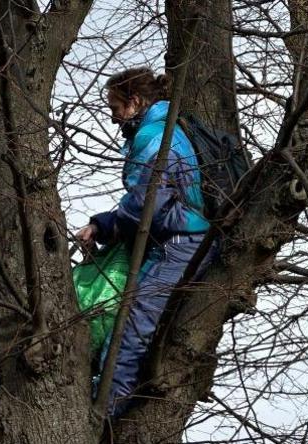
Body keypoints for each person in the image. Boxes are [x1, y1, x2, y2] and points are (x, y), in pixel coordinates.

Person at [76, 67, 211, 416]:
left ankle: (104, 413)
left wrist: (107, 225)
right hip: (186, 238)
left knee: (131, 325)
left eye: (116, 108)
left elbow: (147, 205)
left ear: (135, 102)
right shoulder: (169, 128)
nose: (113, 118)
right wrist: (103, 224)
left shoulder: (154, 135)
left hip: (180, 243)